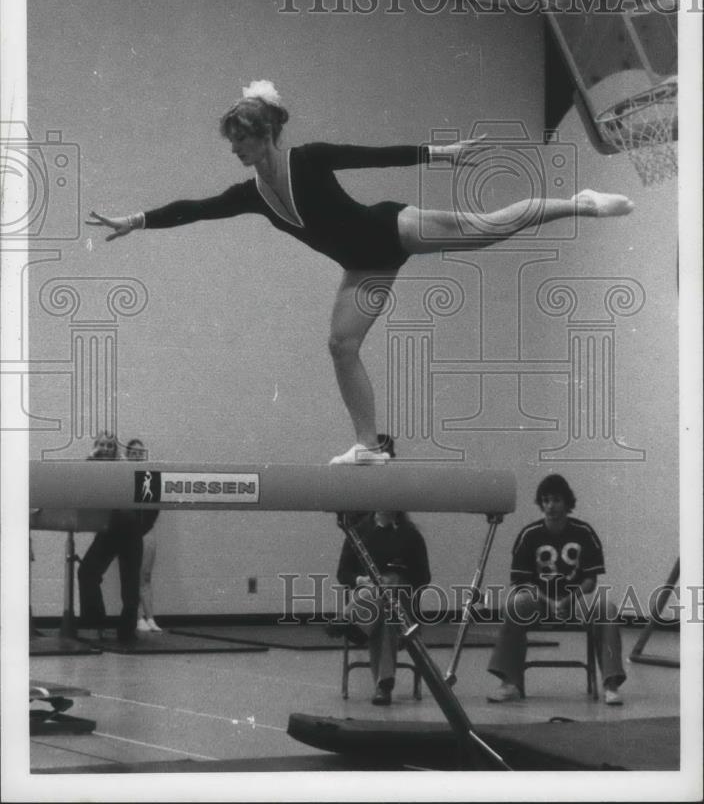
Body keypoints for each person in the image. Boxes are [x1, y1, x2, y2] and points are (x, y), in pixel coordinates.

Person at [86, 80, 634, 464]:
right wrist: (137, 220)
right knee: (341, 346)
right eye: (231, 140)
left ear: (265, 134)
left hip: (390, 229)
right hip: (364, 266)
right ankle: (369, 447)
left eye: (242, 138)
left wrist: (440, 154)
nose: (235, 148)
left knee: (487, 228)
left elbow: (375, 155)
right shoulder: (250, 196)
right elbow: (195, 208)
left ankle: (578, 202)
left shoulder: (311, 158)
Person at [487, 473, 627, 706]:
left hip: (576, 599)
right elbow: (522, 583)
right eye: (546, 500)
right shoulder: (529, 535)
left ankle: (610, 685)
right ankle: (509, 683)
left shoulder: (584, 533)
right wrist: (549, 602)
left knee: (606, 608)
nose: (550, 506)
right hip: (539, 600)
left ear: (567, 502)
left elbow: (591, 580)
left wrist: (569, 599)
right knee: (514, 605)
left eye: (556, 500)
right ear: (541, 503)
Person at [333, 509, 431, 706]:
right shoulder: (359, 532)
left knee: (389, 584)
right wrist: (361, 579)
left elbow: (423, 578)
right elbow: (343, 573)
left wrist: (398, 577)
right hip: (374, 601)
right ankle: (383, 685)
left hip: (397, 605)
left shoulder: (410, 535)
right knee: (387, 610)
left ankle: (351, 619)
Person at [77, 432, 143, 645]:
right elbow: (77, 479)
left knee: (130, 585)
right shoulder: (94, 468)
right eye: (102, 445)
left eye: (109, 445)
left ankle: (127, 632)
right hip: (109, 531)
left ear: (115, 449)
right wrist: (90, 455)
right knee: (86, 572)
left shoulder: (123, 466)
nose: (105, 448)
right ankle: (95, 623)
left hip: (130, 531)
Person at [126, 438, 162, 634]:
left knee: (145, 575)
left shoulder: (150, 478)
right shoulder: (122, 477)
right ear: (127, 455)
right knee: (132, 575)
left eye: (141, 453)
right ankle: (138, 617)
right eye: (133, 453)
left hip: (146, 529)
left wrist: (143, 528)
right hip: (129, 531)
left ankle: (150, 617)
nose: (137, 456)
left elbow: (154, 508)